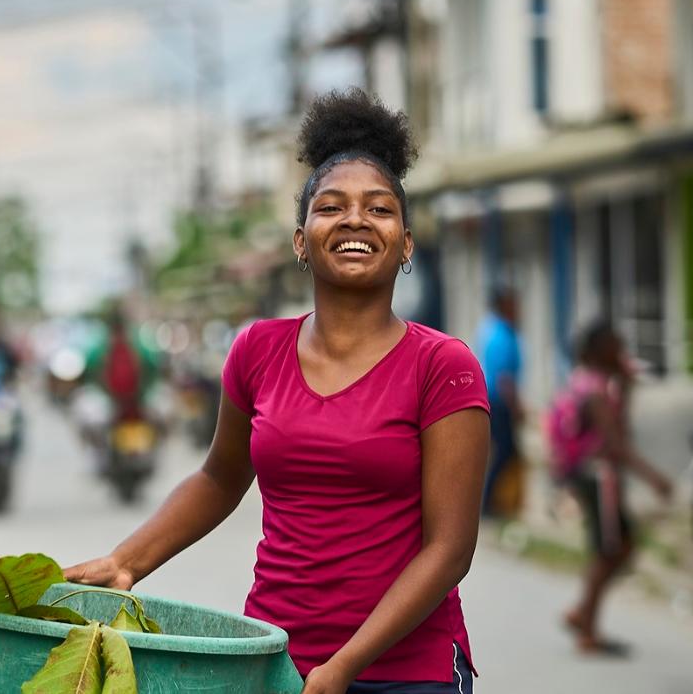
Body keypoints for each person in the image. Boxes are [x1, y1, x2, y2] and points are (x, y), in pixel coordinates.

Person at [66, 88, 489, 694]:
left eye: (379, 209)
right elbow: (219, 478)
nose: (355, 220)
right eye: (331, 207)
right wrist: (127, 560)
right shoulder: (257, 351)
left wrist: (343, 666)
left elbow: (449, 549)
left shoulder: (442, 366)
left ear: (405, 244)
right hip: (274, 659)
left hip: (405, 672)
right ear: (300, 240)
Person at [546, 321, 672, 656]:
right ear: (598, 351)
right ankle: (586, 625)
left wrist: (627, 388)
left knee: (616, 547)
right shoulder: (595, 390)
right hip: (596, 478)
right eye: (615, 345)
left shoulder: (592, 383)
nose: (621, 351)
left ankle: (583, 613)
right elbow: (616, 444)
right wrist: (655, 478)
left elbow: (619, 433)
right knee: (611, 549)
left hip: (594, 476)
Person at [476, 286, 523, 517]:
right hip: (499, 402)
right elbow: (504, 377)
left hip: (495, 400)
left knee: (507, 450)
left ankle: (503, 502)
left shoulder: (494, 329)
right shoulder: (501, 334)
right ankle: (489, 503)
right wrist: (515, 406)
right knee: (505, 451)